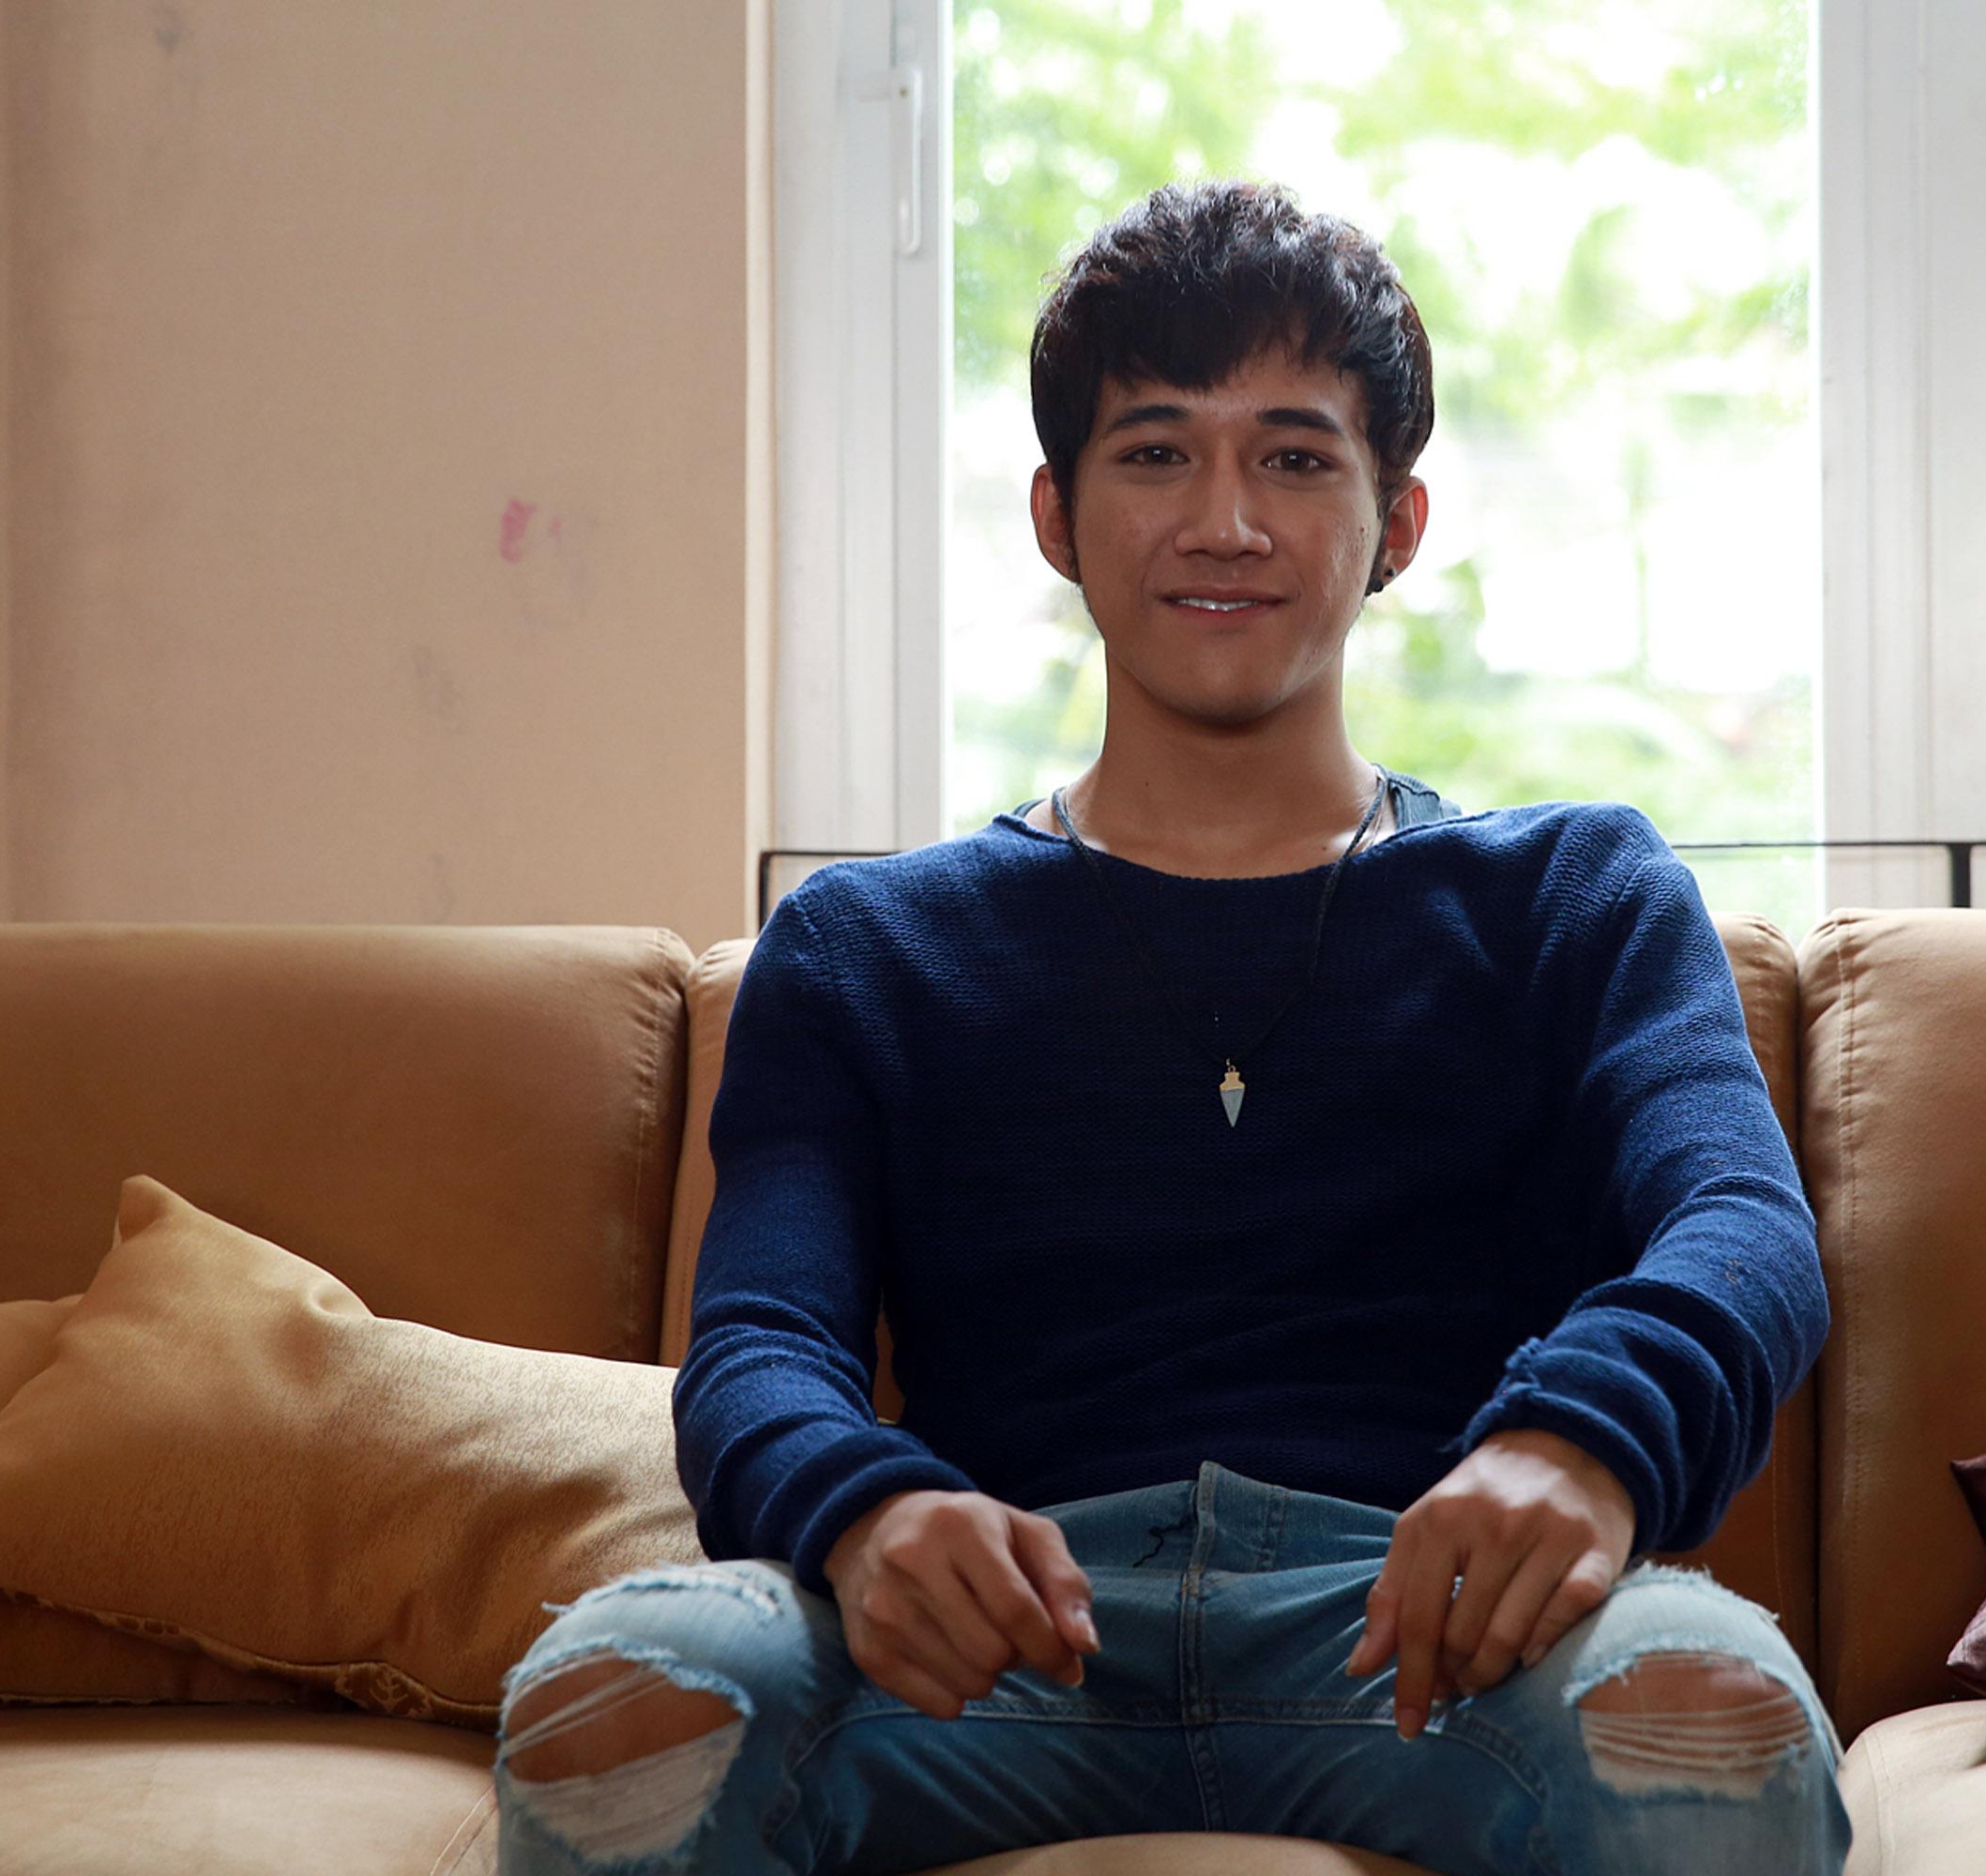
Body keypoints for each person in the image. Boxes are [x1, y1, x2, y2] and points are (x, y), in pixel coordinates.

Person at [491, 177, 1849, 1876]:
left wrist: (1580, 1444)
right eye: (1155, 453)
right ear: (1056, 517)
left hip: (1441, 1634)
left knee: (1712, 1705)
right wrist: (866, 1509)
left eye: (1294, 458)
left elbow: (1744, 1226)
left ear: (1398, 522)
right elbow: (762, 1339)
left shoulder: (1573, 892)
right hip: (998, 1639)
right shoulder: (864, 947)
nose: (1225, 522)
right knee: (627, 1691)